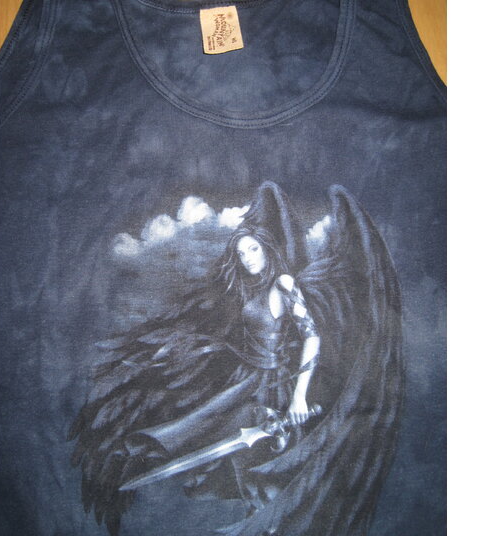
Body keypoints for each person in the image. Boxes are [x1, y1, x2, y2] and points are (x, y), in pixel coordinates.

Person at [69, 182, 403, 536]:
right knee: (213, 441)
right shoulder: (249, 288)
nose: (248, 258)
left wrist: (299, 397)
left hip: (272, 390)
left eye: (253, 249)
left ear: (267, 248)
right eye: (241, 253)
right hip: (246, 380)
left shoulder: (284, 283)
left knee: (263, 474)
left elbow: (312, 336)